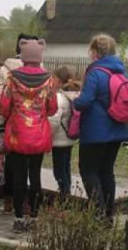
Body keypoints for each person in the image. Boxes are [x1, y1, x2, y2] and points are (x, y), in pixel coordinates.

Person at [0, 38, 58, 232]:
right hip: (39, 135)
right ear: (40, 56)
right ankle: (34, 217)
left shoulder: (12, 78)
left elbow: (4, 107)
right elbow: (52, 108)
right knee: (35, 176)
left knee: (19, 177)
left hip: (17, 134)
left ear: (23, 56)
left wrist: (15, 114)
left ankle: (18, 218)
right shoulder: (48, 79)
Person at [73, 34, 128, 221]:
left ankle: (97, 213)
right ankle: (108, 213)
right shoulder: (121, 71)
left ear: (94, 52)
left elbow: (86, 100)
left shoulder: (96, 72)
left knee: (88, 170)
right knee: (106, 171)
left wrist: (75, 101)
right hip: (118, 129)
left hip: (95, 131)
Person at [0, 33, 39, 213]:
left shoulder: (8, 74)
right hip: (37, 129)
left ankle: (13, 206)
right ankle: (32, 208)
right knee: (34, 171)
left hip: (14, 127)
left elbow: (3, 102)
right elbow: (51, 107)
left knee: (14, 168)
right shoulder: (45, 75)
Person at [48, 66, 80, 198]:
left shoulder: (60, 98)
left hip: (59, 140)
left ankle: (64, 194)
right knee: (66, 167)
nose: (51, 80)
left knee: (59, 170)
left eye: (53, 78)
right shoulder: (74, 96)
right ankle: (67, 192)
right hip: (69, 138)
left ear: (60, 81)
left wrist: (48, 136)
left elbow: (54, 120)